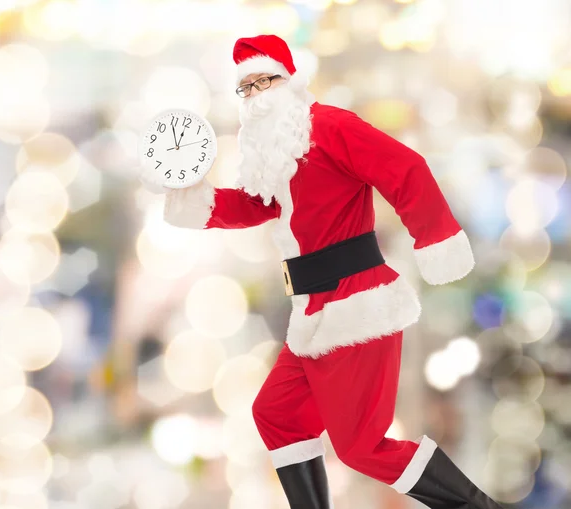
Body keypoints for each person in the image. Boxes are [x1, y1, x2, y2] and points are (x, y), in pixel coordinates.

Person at [141, 34, 502, 509]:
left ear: (289, 81)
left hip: (357, 305)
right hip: (311, 308)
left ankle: (478, 506)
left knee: (362, 447)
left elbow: (404, 167)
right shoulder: (278, 154)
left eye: (262, 81)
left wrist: (435, 239)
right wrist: (190, 195)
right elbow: (254, 205)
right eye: (245, 88)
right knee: (277, 413)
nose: (254, 96)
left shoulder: (331, 127)